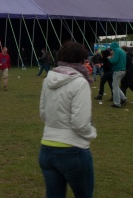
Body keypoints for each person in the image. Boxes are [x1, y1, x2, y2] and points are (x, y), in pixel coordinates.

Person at [39, 41, 96, 197]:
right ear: (80, 61)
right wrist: (91, 133)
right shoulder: (80, 83)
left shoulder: (48, 80)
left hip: (47, 149)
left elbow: (43, 114)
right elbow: (80, 123)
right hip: (73, 150)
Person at [108, 42, 128, 108]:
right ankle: (123, 98)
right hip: (123, 70)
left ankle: (117, 103)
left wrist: (109, 59)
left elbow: (115, 60)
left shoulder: (116, 50)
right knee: (116, 85)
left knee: (115, 87)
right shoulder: (122, 51)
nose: (111, 50)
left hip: (118, 70)